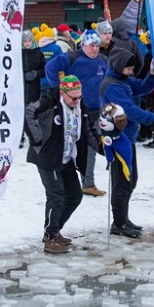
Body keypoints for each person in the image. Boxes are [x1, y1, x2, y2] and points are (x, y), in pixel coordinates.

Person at [24, 75, 101, 254]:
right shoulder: (49, 102)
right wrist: (37, 140)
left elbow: (88, 131)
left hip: (66, 157)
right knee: (56, 195)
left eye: (79, 97)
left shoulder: (80, 107)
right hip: (48, 157)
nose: (77, 101)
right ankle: (50, 236)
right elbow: (28, 113)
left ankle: (55, 229)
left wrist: (103, 148)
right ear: (62, 93)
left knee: (75, 196)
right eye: (73, 98)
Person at [100, 47, 154, 238]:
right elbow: (129, 110)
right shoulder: (112, 86)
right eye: (128, 69)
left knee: (130, 180)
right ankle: (119, 223)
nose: (131, 72)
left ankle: (123, 219)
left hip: (127, 138)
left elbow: (142, 88)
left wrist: (151, 74)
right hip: (117, 140)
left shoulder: (123, 80)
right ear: (118, 66)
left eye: (132, 69)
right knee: (122, 182)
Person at [45, 28, 109, 195]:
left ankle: (88, 183)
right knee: (68, 146)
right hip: (74, 110)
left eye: (97, 45)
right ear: (83, 45)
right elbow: (50, 67)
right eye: (91, 45)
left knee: (91, 148)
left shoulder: (103, 60)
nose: (95, 49)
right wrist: (59, 89)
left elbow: (108, 81)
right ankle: (63, 181)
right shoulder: (72, 57)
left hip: (96, 110)